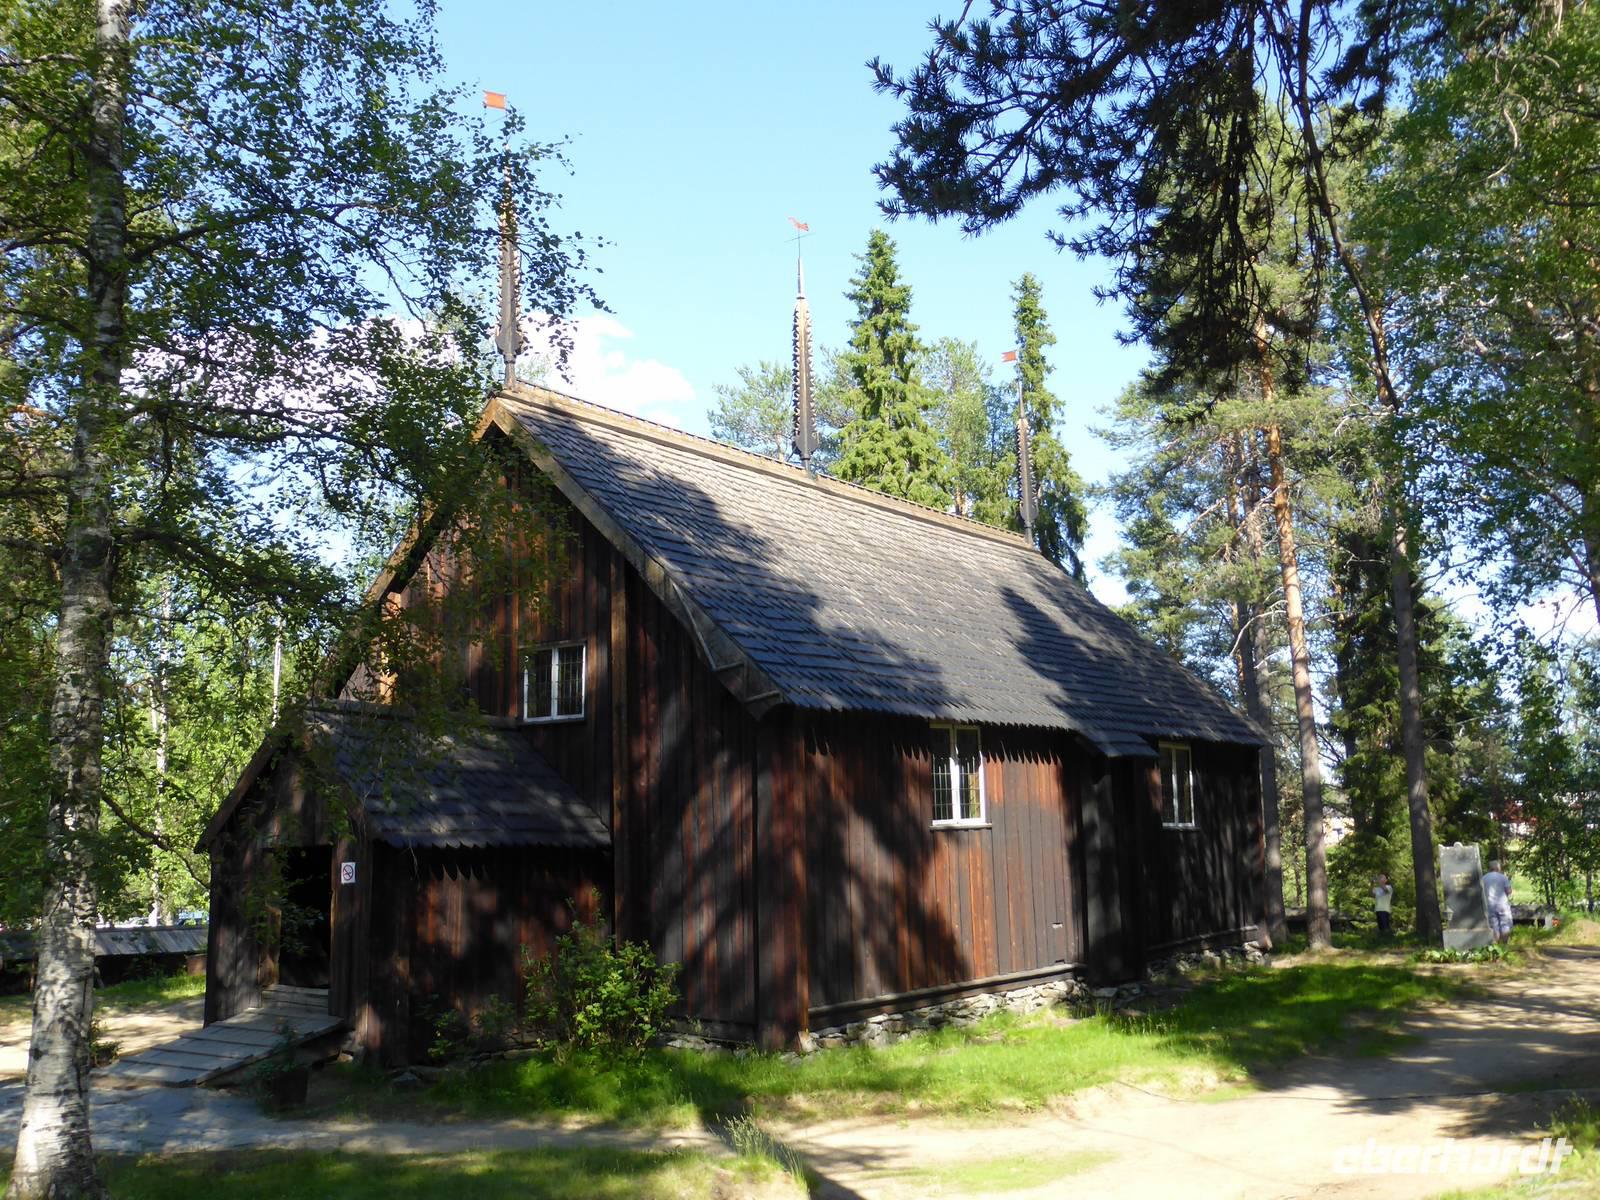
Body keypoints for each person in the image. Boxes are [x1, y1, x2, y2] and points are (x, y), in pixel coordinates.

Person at [1482, 859, 1514, 944]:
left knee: (1494, 926)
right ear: (1498, 868)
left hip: (1489, 904)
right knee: (1505, 924)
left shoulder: (1484, 878)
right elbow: (1509, 891)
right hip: (1502, 904)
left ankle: (1495, 946)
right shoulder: (1503, 877)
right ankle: (1505, 945)